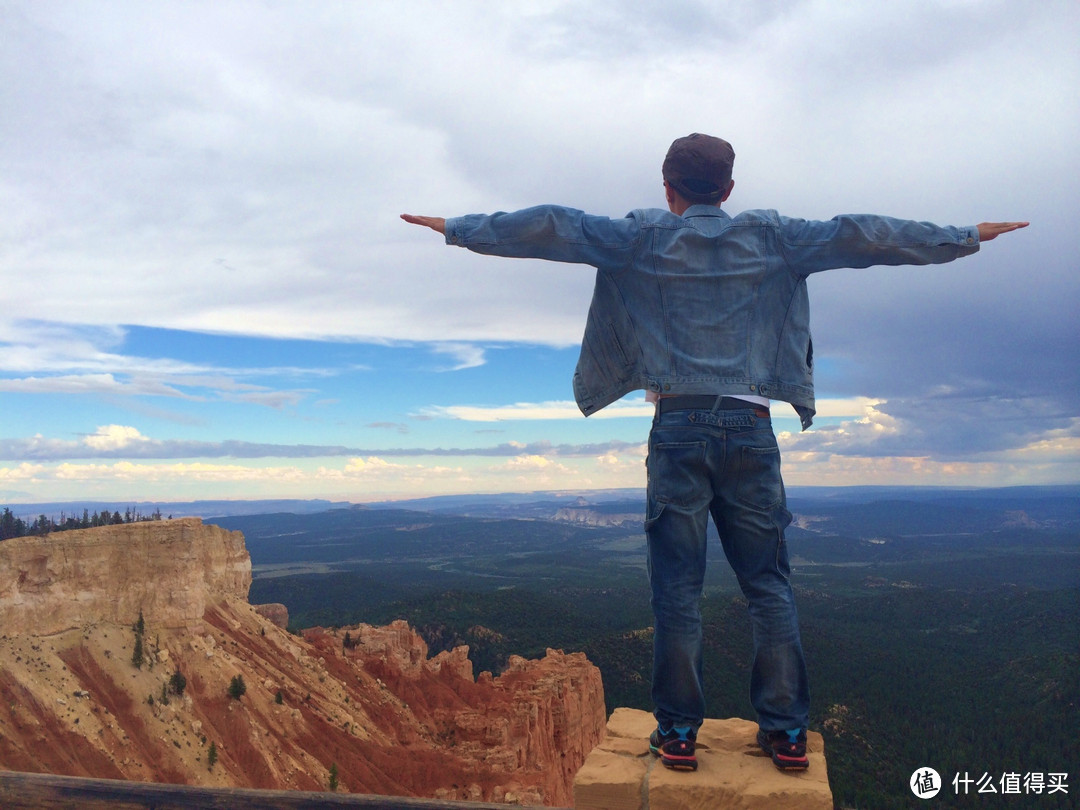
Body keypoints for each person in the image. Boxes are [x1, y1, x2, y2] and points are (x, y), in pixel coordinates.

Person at [401, 133, 1027, 773]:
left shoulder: (640, 237)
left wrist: (457, 227)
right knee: (768, 587)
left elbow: (552, 228)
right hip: (752, 428)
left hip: (677, 428)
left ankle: (676, 734)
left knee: (677, 593)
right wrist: (965, 235)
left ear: (667, 188)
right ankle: (784, 733)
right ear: (729, 190)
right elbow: (862, 235)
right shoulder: (773, 237)